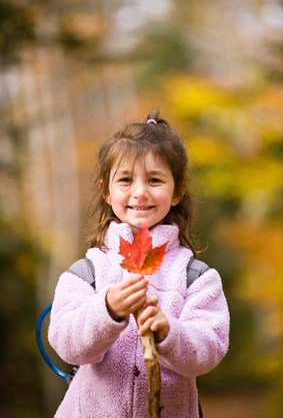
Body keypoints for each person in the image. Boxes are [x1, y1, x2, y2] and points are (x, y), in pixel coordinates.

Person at [48, 110, 230, 418]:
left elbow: (209, 349)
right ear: (106, 190)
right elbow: (67, 344)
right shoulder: (86, 273)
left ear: (177, 191)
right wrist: (106, 311)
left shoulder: (196, 277)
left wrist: (168, 333)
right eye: (126, 180)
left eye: (155, 180)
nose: (140, 192)